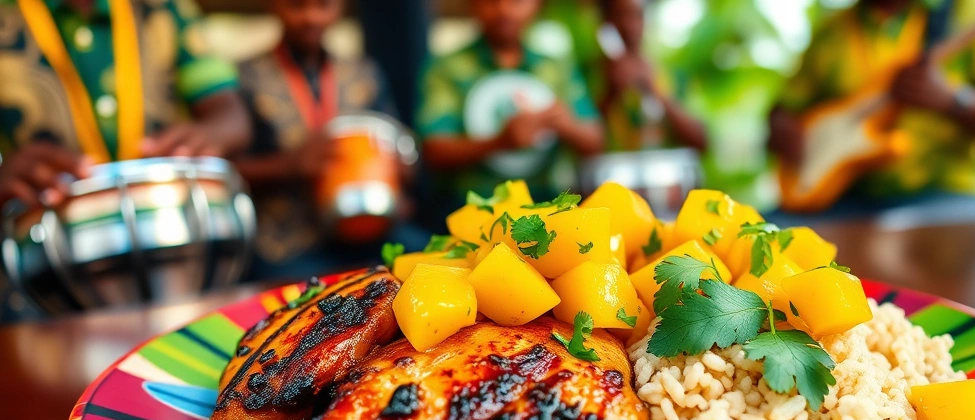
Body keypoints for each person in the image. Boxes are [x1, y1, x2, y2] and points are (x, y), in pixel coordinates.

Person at [767, 0, 975, 223]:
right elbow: (782, 111)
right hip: (848, 199)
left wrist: (953, 100)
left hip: (951, 195)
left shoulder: (970, 12)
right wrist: (784, 130)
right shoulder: (832, 31)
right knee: (768, 229)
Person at [0, 0, 250, 208]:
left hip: (169, 216)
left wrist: (207, 135)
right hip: (41, 230)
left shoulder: (165, 6)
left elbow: (231, 116)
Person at [233, 0, 412, 280]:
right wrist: (288, 165)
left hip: (365, 228)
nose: (311, 18)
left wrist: (398, 176)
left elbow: (392, 137)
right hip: (286, 243)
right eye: (297, 6)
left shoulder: (363, 73)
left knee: (421, 260)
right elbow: (225, 170)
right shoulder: (245, 77)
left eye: (323, 5)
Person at [417, 0, 604, 217]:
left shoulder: (555, 68)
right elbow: (433, 150)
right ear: (473, 6)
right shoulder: (447, 68)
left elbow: (595, 140)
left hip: (547, 207)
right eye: (491, 2)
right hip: (469, 211)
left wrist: (564, 125)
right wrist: (500, 142)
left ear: (537, 5)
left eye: (516, 1)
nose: (504, 10)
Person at [596, 0, 706, 152]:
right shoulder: (591, 74)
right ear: (605, 20)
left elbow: (701, 141)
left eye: (636, 16)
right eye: (619, 15)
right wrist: (612, 92)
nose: (628, 26)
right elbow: (587, 138)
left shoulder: (668, 75)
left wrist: (655, 91)